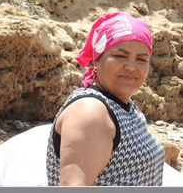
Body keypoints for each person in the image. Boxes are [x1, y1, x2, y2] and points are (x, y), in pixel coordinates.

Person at [46, 12, 165, 186]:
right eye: (120, 56)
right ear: (98, 59)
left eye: (141, 59)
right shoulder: (90, 112)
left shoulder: (122, 104)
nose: (131, 67)